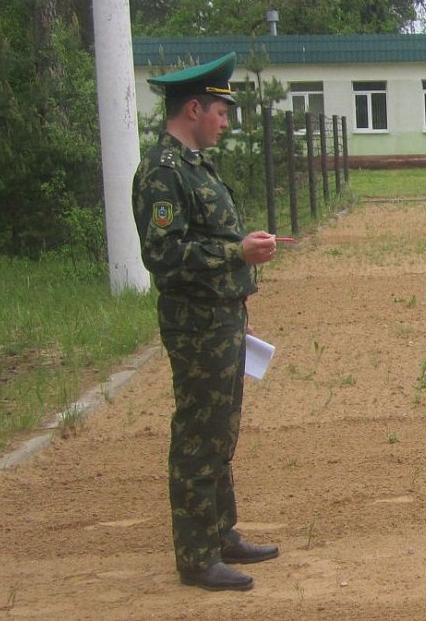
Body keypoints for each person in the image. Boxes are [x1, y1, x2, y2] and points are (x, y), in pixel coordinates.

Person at [131, 52, 281, 592]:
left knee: (220, 430)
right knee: (198, 434)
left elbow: (207, 239)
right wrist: (234, 253)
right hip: (195, 325)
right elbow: (162, 253)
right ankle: (196, 556)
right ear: (193, 108)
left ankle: (220, 533)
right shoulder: (161, 171)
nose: (225, 121)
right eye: (220, 111)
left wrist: (241, 251)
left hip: (221, 319)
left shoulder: (195, 166)